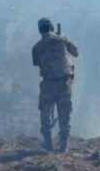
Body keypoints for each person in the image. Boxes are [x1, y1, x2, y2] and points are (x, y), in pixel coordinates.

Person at [32, 17, 79, 152]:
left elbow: (37, 63)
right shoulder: (62, 40)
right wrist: (63, 38)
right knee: (64, 112)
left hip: (48, 83)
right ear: (52, 27)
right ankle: (64, 145)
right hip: (64, 81)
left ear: (40, 30)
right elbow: (76, 52)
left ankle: (47, 142)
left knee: (45, 111)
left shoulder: (36, 47)